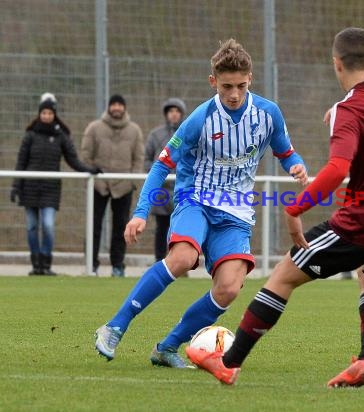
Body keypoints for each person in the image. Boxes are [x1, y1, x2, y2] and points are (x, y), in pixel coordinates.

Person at [186, 27, 364, 388]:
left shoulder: (349, 110)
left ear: (336, 64)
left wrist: (295, 208)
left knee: (283, 276)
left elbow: (338, 168)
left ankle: (229, 363)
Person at [94, 39, 308, 368]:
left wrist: (295, 165)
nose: (234, 94)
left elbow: (285, 150)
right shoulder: (199, 119)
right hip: (196, 199)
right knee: (182, 258)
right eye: (226, 87)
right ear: (213, 82)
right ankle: (114, 326)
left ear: (250, 78)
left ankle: (167, 347)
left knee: (229, 288)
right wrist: (140, 214)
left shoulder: (267, 114)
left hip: (236, 213)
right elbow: (162, 164)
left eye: (240, 85)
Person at [11, 93, 101, 275]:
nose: (46, 116)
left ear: (54, 115)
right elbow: (21, 162)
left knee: (48, 225)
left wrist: (89, 170)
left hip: (50, 189)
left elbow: (73, 160)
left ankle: (46, 263)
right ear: (39, 114)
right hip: (29, 188)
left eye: (49, 113)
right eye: (43, 113)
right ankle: (36, 264)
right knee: (31, 226)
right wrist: (15, 186)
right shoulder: (30, 135)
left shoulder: (61, 136)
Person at [81, 94, 144, 277]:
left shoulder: (134, 130)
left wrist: (132, 181)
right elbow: (86, 155)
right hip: (98, 185)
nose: (116, 108)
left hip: (123, 186)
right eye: (113, 104)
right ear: (109, 107)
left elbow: (138, 159)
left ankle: (118, 265)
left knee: (121, 227)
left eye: (119, 105)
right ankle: (91, 265)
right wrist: (95, 178)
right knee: (94, 226)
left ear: (124, 107)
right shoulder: (94, 128)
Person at [144, 98, 187, 261]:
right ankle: (159, 261)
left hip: (182, 189)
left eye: (177, 111)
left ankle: (179, 263)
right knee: (162, 227)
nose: (174, 114)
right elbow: (147, 159)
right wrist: (157, 176)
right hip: (162, 190)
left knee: (180, 228)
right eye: (171, 111)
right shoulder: (156, 135)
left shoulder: (188, 133)